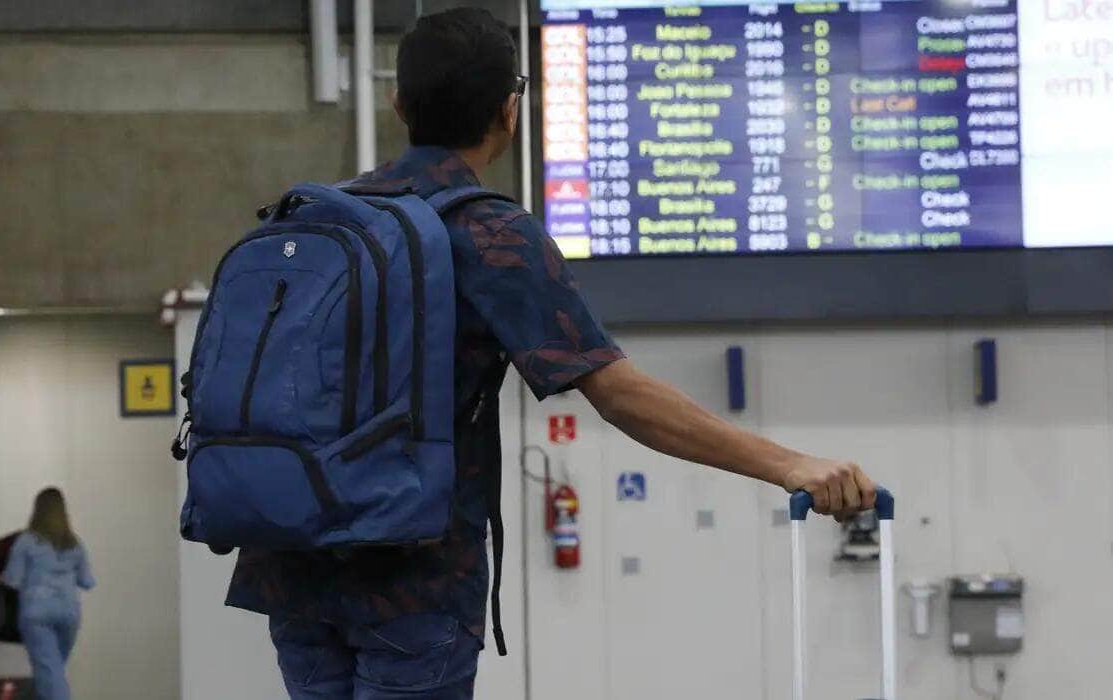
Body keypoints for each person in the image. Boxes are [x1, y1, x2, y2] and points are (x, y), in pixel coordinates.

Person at [225, 8, 878, 699]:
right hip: (412, 582)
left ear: (398, 103)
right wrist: (791, 466)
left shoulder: (319, 216)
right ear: (510, 111)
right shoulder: (486, 230)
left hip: (290, 564)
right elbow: (619, 395)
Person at [2, 488, 95, 700]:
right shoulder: (75, 544)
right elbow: (87, 581)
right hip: (69, 614)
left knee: (49, 675)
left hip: (37, 614)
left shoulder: (27, 541)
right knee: (52, 673)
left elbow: (12, 580)